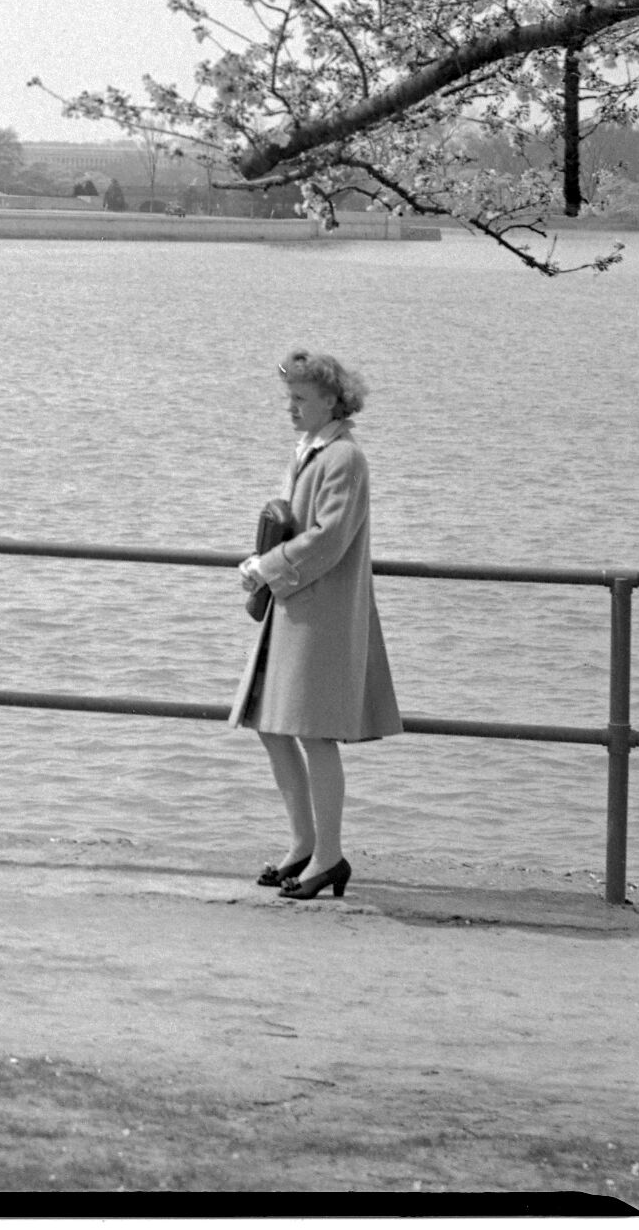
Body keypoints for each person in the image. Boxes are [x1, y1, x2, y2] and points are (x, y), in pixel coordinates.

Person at [228, 348, 401, 900]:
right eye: (290, 398)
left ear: (332, 400)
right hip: (296, 606)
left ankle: (328, 856)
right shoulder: (313, 451)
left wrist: (264, 567)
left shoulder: (344, 458)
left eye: (301, 398)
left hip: (320, 612)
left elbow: (327, 538)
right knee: (272, 725)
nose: (291, 408)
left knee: (313, 733)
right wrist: (266, 566)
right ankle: (304, 845)